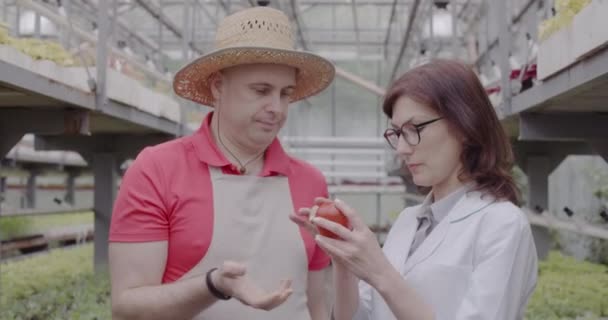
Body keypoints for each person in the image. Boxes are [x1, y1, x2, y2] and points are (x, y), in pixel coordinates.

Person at [108, 6, 335, 320]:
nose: (277, 108)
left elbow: (318, 304)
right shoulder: (158, 169)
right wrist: (212, 286)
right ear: (218, 87)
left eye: (285, 94)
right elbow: (127, 306)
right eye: (261, 91)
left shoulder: (311, 181)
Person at [292, 59, 538, 320]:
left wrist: (380, 272)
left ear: (465, 124)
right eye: (397, 133)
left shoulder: (502, 224)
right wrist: (343, 259)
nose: (401, 148)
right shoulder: (408, 222)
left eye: (413, 129)